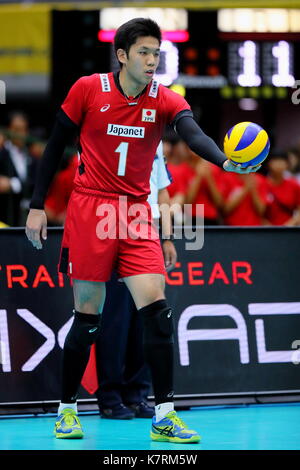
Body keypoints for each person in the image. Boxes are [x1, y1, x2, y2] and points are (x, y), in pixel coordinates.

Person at [25, 18, 259, 443]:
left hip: (136, 213)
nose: (152, 61)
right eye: (145, 53)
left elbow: (192, 134)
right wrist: (37, 205)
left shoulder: (164, 98)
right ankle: (66, 410)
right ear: (122, 56)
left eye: (157, 53)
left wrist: (224, 161)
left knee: (158, 313)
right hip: (91, 206)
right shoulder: (87, 89)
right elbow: (57, 143)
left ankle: (164, 414)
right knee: (88, 319)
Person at [94, 141, 176, 420]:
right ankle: (109, 397)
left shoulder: (157, 139)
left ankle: (137, 395)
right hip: (114, 225)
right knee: (115, 319)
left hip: (149, 232)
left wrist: (166, 236)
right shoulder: (105, 125)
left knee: (148, 318)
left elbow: (162, 191)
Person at [265, 151, 300, 226]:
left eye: (282, 161)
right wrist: (269, 228)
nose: (279, 164)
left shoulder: (293, 185)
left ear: (287, 164)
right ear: (268, 163)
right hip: (265, 230)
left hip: (288, 230)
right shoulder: (261, 184)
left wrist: (288, 225)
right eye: (275, 161)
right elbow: (257, 213)